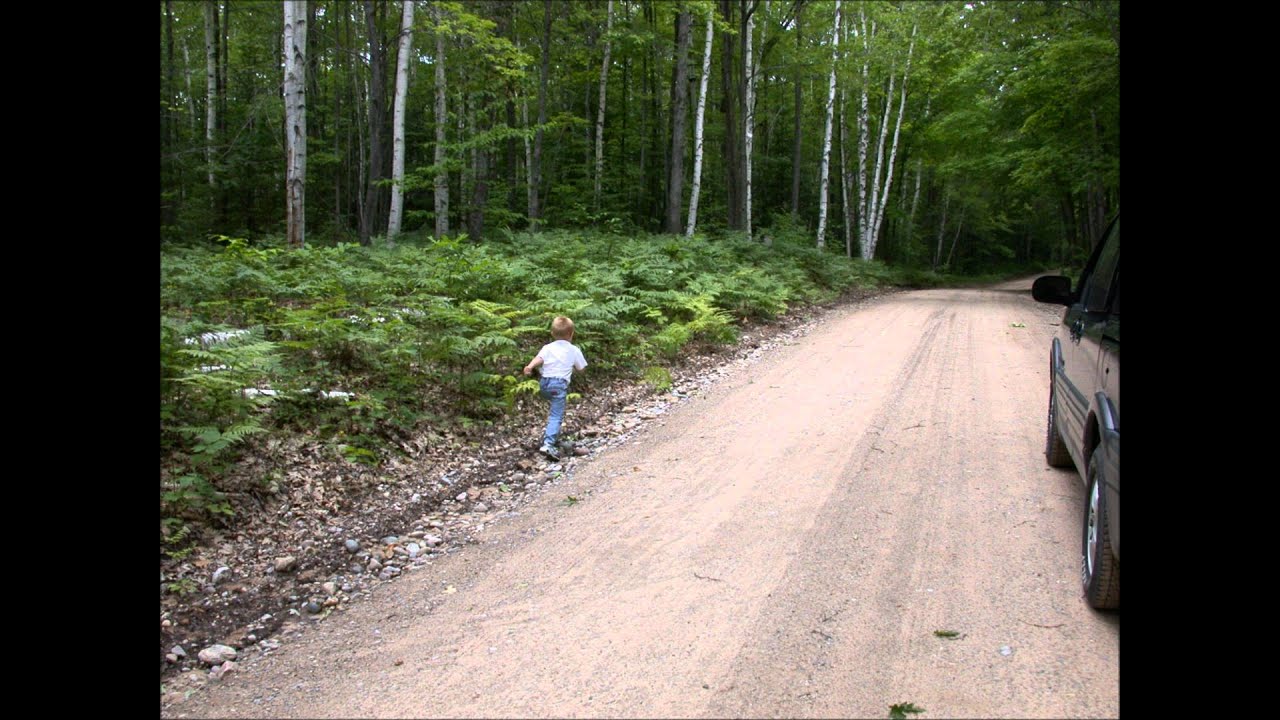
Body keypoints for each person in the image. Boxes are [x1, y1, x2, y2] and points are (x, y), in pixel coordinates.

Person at [523, 316, 588, 460]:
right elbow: (582, 368)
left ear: (552, 333)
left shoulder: (547, 348)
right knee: (556, 416)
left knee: (554, 409)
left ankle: (554, 437)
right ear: (571, 334)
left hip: (544, 385)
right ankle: (548, 444)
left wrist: (530, 366)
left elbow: (539, 359)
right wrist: (575, 368)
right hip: (558, 386)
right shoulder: (574, 350)